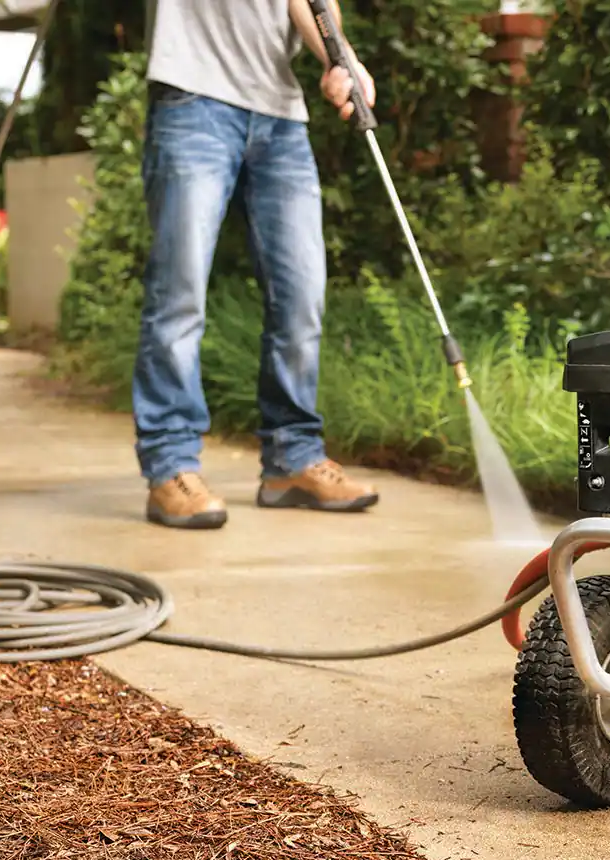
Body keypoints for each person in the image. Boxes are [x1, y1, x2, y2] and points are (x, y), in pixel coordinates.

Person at [134, 0, 379, 529]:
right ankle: (170, 466)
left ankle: (292, 459)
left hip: (280, 114)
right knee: (178, 293)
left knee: (302, 294)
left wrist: (343, 60)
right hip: (192, 97)